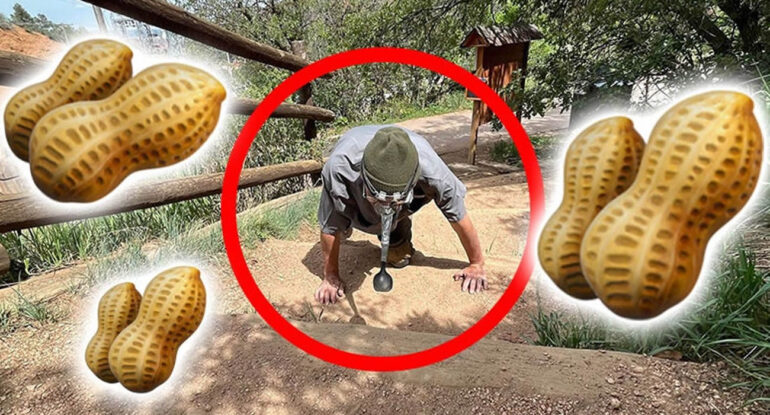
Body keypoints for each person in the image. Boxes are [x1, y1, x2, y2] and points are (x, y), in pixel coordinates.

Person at [315, 125, 488, 304]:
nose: (385, 206)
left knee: (399, 256)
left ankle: (396, 234)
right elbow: (329, 226)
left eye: (393, 200)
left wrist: (476, 263)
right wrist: (330, 277)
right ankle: (350, 221)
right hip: (355, 189)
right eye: (378, 198)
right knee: (339, 221)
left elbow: (458, 214)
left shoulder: (436, 175)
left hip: (405, 203)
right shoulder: (339, 168)